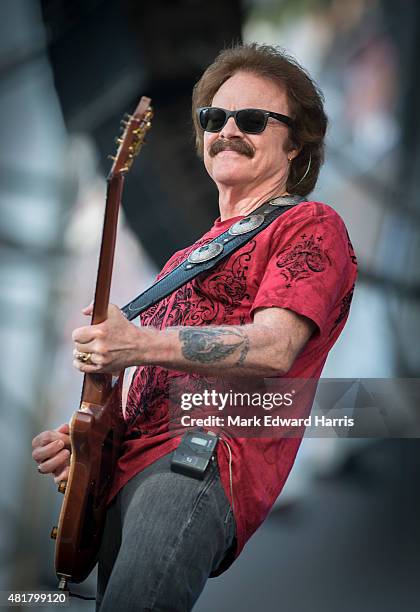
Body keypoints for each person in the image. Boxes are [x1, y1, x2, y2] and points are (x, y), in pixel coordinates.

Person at [32, 43, 357, 611]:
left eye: (253, 120)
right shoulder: (181, 261)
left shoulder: (310, 224)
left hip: (195, 464)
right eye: (214, 117)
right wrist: (89, 443)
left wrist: (137, 342)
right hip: (125, 482)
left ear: (296, 140)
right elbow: (152, 387)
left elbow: (275, 346)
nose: (228, 130)